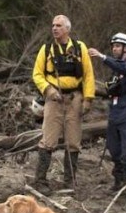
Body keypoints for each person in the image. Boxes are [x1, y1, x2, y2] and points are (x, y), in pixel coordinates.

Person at [32, 15, 95, 193]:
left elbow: (89, 74)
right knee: (48, 140)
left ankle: (70, 181)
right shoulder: (46, 49)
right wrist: (48, 90)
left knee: (74, 141)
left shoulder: (79, 47)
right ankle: (41, 181)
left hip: (75, 99)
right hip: (54, 99)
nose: (54, 28)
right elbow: (37, 74)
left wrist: (88, 99)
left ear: (67, 29)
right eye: (53, 25)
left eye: (58, 25)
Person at [88, 33, 126, 204]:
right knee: (115, 152)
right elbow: (110, 90)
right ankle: (119, 182)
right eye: (113, 46)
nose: (114, 49)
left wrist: (102, 57)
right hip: (114, 118)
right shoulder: (114, 73)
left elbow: (123, 68)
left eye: (118, 46)